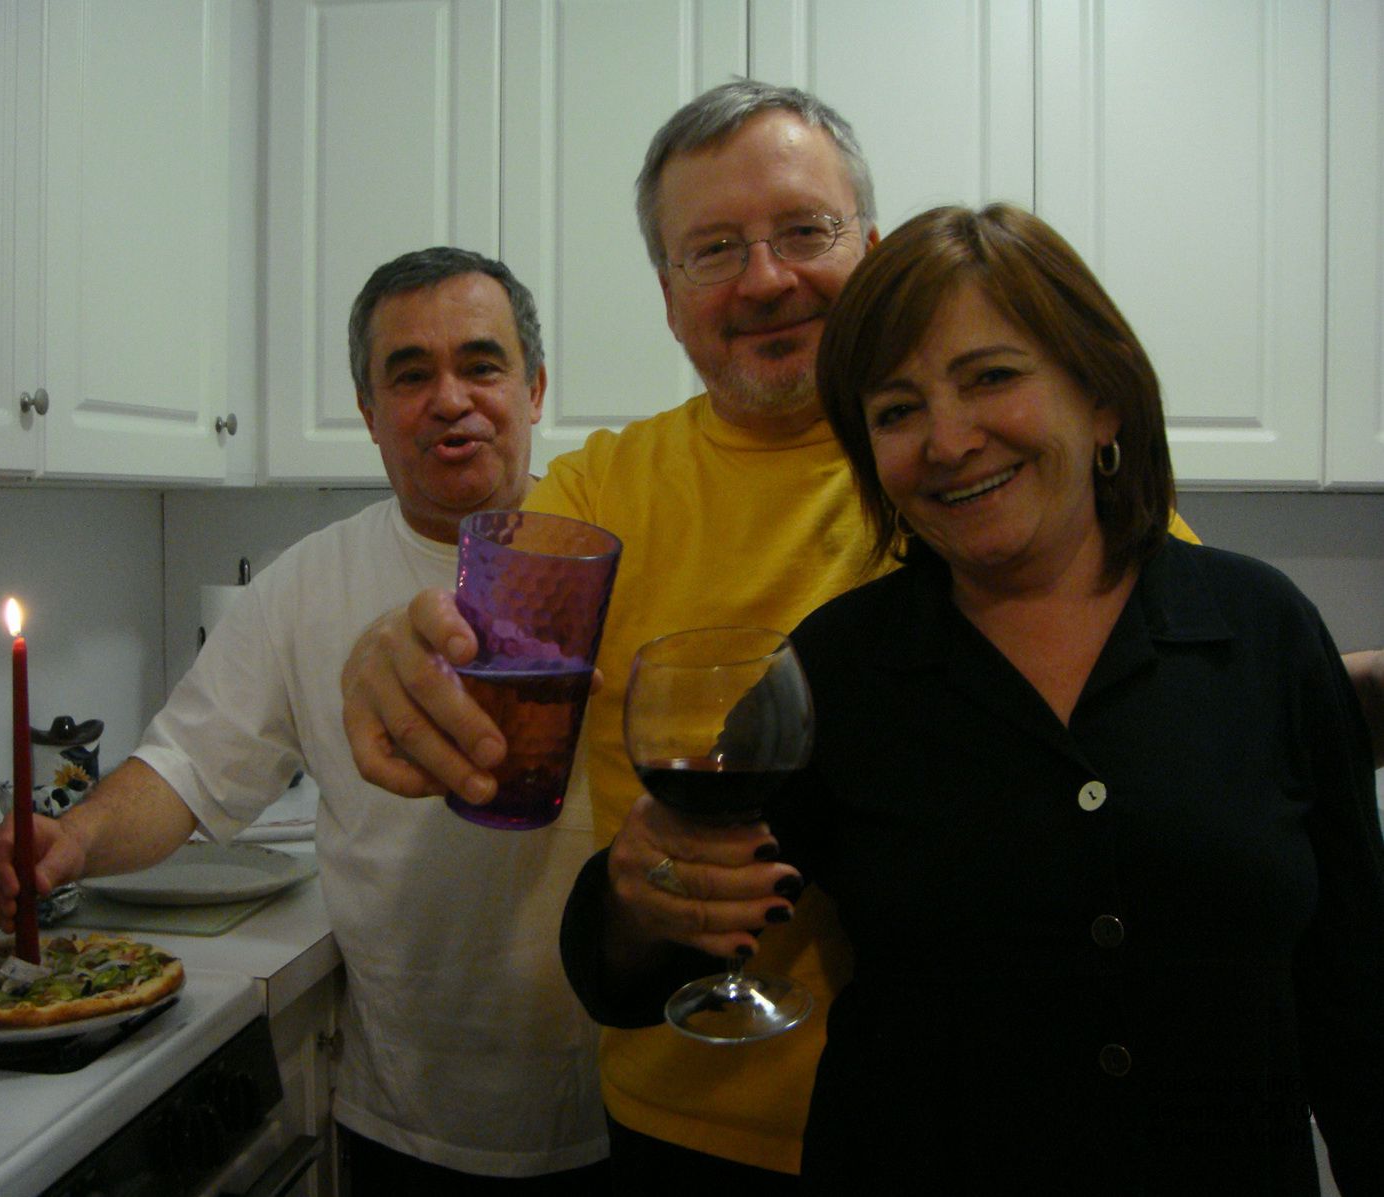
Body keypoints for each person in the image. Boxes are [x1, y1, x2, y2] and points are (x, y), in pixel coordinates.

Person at [338, 82, 1383, 1187]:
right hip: (702, 1129)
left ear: (874, 248)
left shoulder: (1065, 515)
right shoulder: (609, 500)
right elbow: (475, 641)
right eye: (713, 249)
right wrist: (388, 657)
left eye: (803, 231)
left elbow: (1196, 721)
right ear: (666, 292)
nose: (767, 277)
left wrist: (1339, 694)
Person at [566, 204, 1384, 1195]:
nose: (947, 441)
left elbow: (1355, 992)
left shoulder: (1261, 631)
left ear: (1103, 397)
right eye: (897, 409)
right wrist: (636, 895)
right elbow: (631, 975)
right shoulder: (843, 665)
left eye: (991, 378)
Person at [0, 247, 610, 1194]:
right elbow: (187, 763)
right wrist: (70, 840)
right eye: (410, 373)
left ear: (535, 389)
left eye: (482, 363)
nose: (450, 398)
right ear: (368, 412)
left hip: (615, 1095)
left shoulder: (611, 553)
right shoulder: (305, 584)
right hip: (407, 1108)